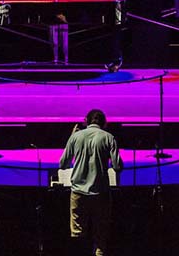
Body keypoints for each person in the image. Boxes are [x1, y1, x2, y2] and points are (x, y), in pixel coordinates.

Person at [59, 109, 123, 256]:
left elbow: (62, 164)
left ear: (86, 121)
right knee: (101, 236)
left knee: (77, 234)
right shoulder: (108, 137)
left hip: (78, 193)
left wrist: (72, 137)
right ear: (104, 124)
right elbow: (117, 166)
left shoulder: (76, 137)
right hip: (101, 193)